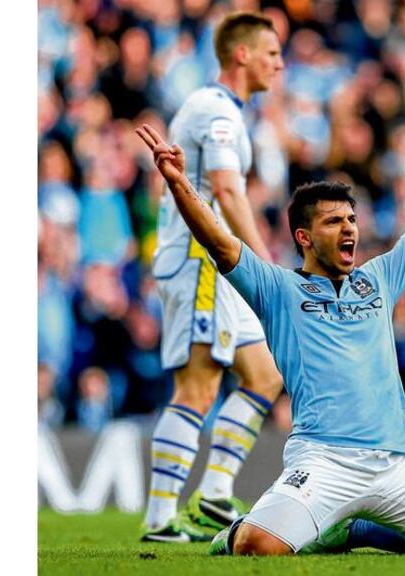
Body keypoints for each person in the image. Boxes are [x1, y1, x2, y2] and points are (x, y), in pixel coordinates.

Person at [134, 102, 405, 555]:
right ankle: (233, 532)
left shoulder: (379, 278)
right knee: (259, 547)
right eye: (334, 221)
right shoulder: (277, 287)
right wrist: (178, 183)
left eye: (351, 219)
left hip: (396, 462)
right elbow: (217, 238)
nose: (348, 227)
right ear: (304, 237)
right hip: (323, 460)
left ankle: (356, 530)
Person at [141, 11, 286, 543]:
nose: (280, 63)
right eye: (272, 53)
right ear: (241, 54)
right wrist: (264, 261)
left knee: (265, 376)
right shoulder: (213, 110)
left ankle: (215, 495)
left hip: (217, 266)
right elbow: (226, 191)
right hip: (205, 262)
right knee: (198, 387)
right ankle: (160, 520)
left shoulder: (226, 111)